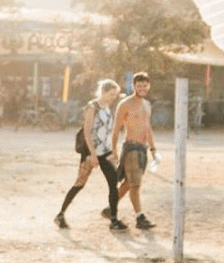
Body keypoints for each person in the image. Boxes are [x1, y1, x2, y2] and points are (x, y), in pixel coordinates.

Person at [57, 79, 123, 229]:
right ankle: (60, 214)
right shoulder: (92, 107)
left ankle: (114, 219)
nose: (113, 97)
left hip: (105, 153)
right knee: (80, 183)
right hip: (91, 152)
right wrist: (92, 155)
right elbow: (87, 132)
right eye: (111, 94)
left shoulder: (107, 108)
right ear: (104, 92)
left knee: (113, 183)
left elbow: (107, 132)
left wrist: (113, 151)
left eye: (115, 95)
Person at [112, 72, 160, 230]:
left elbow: (148, 128)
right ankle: (140, 217)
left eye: (144, 86)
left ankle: (110, 208)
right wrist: (113, 150)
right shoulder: (125, 104)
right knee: (135, 185)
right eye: (138, 86)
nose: (142, 88)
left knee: (128, 184)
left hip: (142, 149)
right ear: (133, 86)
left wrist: (153, 149)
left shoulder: (147, 105)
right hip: (131, 148)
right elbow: (116, 128)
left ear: (149, 86)